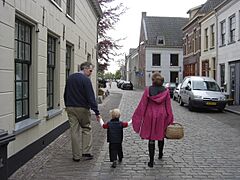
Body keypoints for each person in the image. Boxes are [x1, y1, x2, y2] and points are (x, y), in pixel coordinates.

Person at [132, 72, 174, 167]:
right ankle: (160, 153)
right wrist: (170, 118)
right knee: (161, 135)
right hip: (162, 116)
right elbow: (168, 106)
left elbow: (143, 105)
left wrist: (138, 117)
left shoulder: (148, 90)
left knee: (151, 138)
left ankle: (151, 161)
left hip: (150, 115)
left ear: (153, 80)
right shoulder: (166, 91)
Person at [64, 61, 100, 162]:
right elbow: (90, 97)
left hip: (70, 107)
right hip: (83, 108)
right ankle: (86, 152)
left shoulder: (70, 78)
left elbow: (65, 93)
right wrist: (96, 112)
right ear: (85, 68)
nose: (91, 73)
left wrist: (67, 105)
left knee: (74, 131)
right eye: (90, 70)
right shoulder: (86, 80)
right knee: (86, 128)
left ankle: (76, 156)